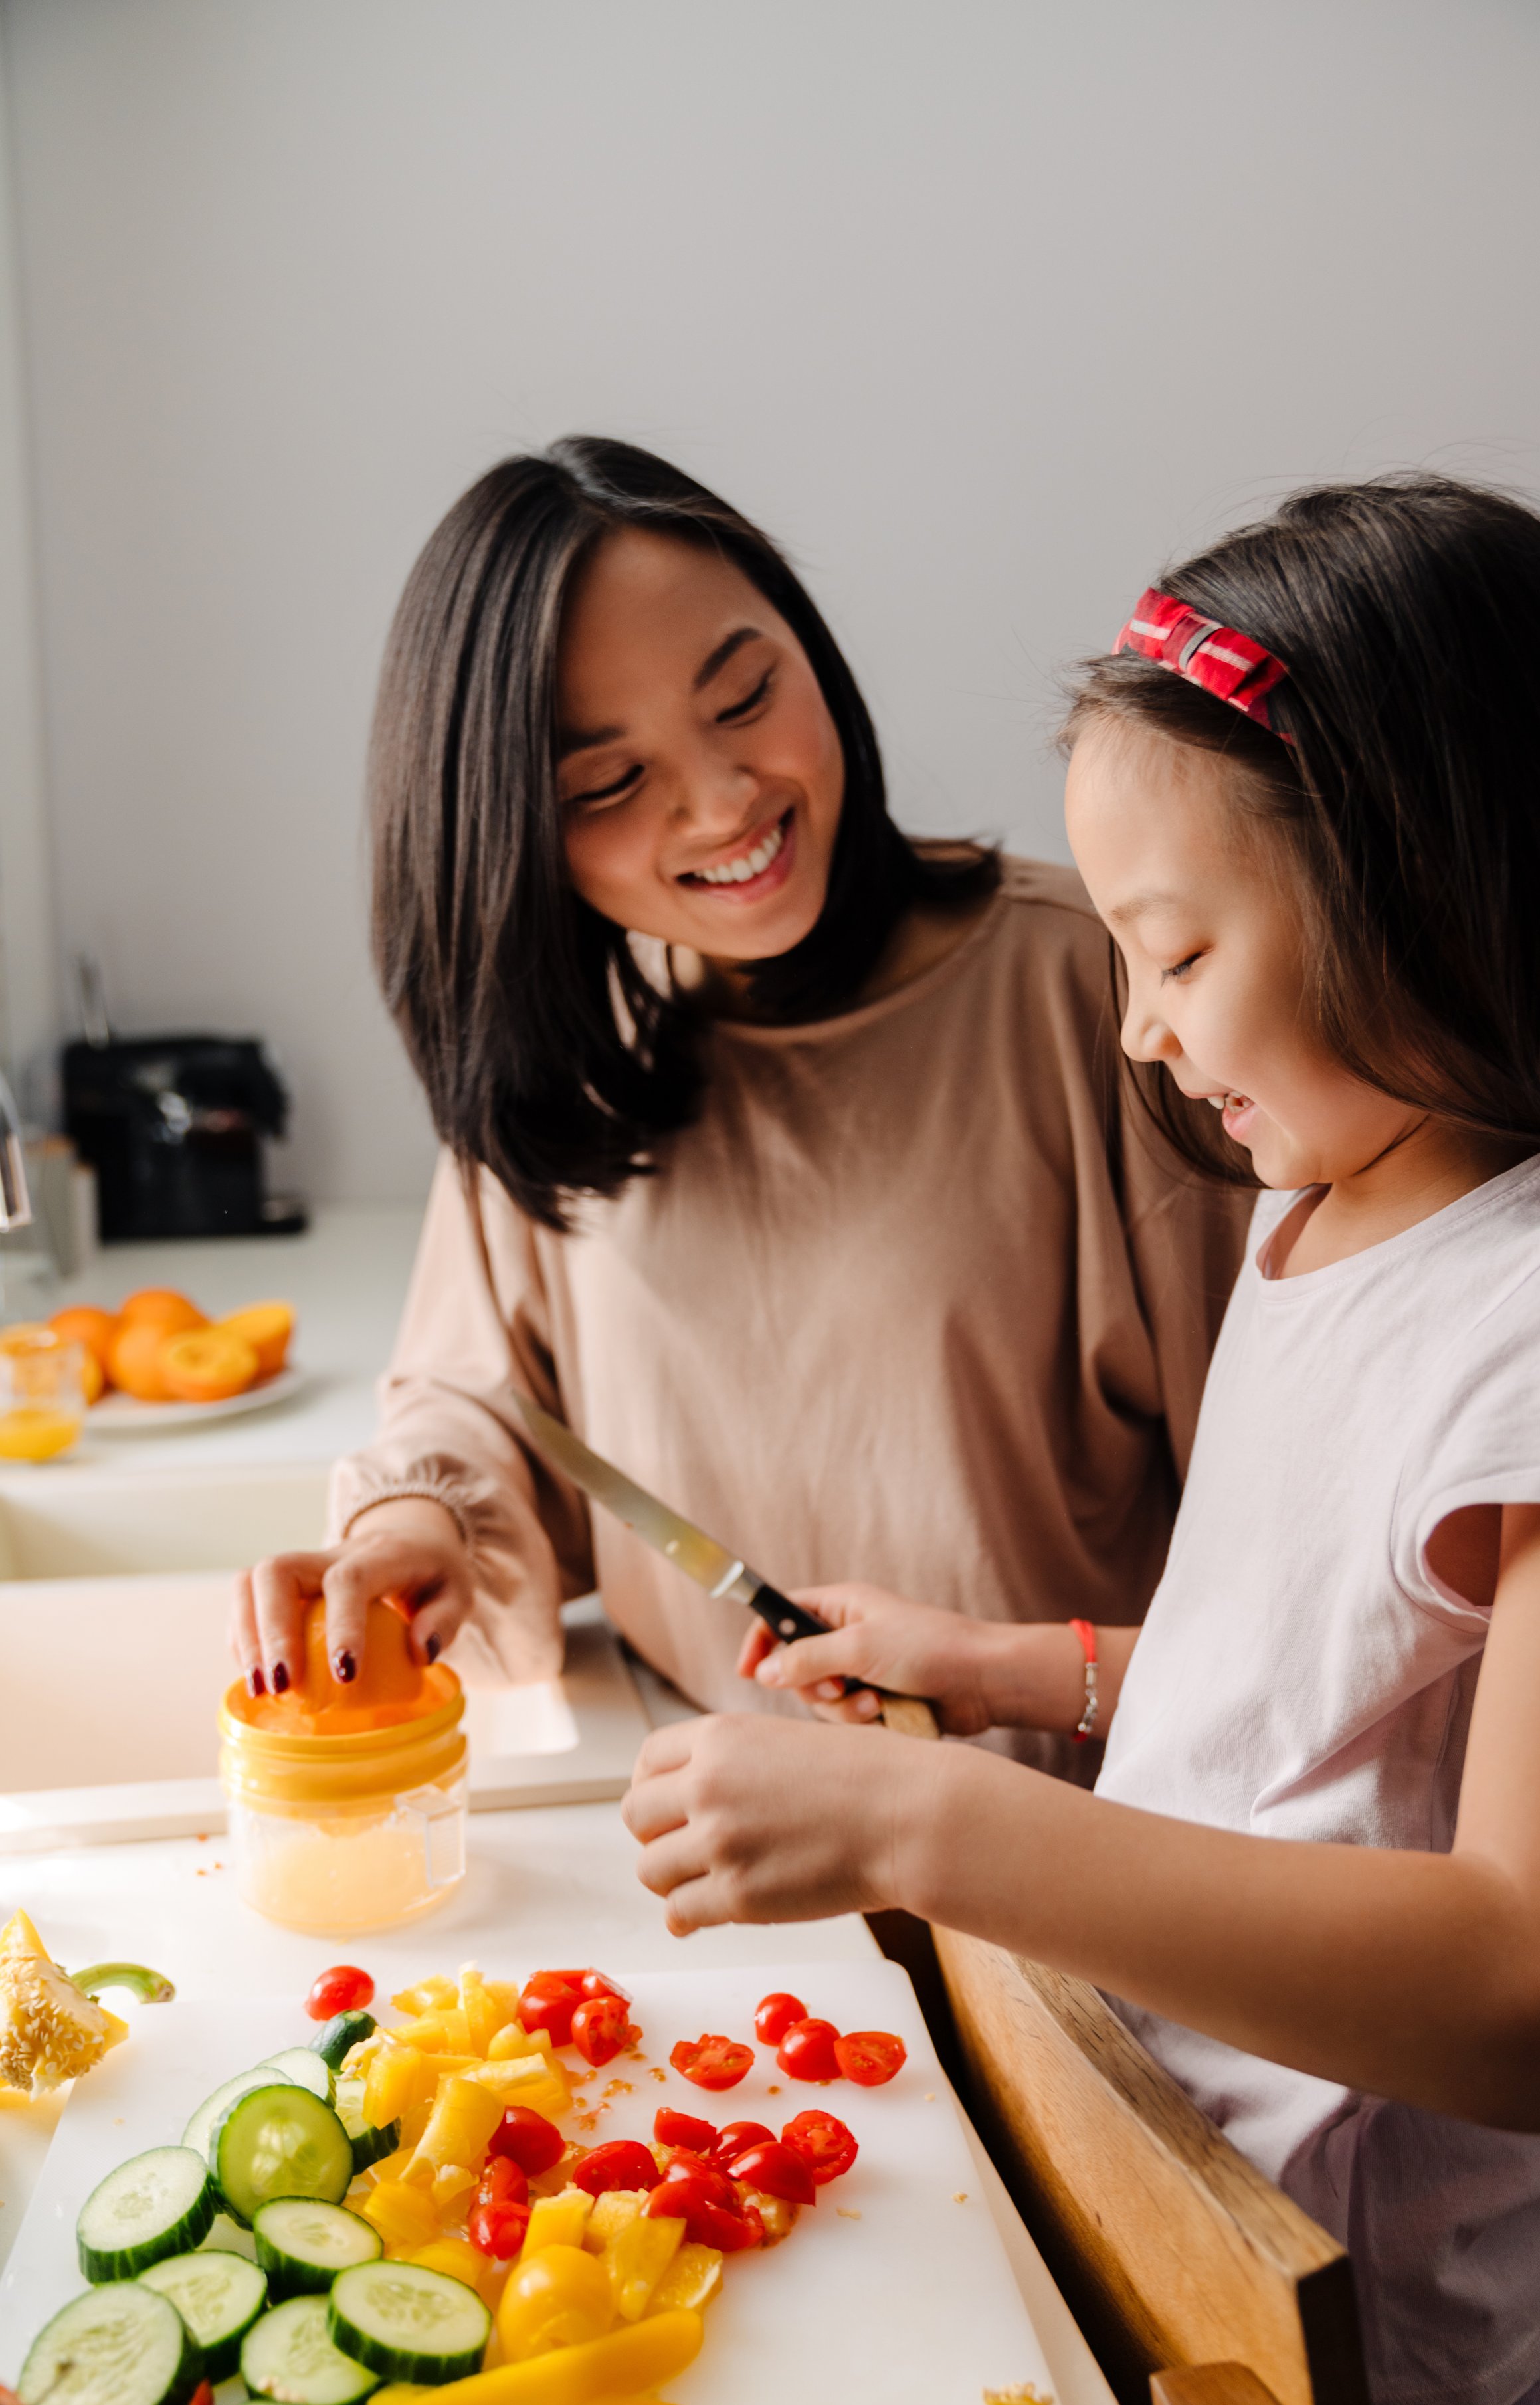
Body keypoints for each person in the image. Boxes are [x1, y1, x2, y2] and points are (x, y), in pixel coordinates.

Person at [622, 476, 1540, 2405]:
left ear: (1428, 885)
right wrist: (1013, 1670)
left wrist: (939, 1822)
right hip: (1193, 2218)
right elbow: (1320, 1704)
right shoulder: (1315, 1216)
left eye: (1172, 951)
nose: (1135, 1027)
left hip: (1404, 2369)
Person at [233, 437, 1248, 1787]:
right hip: (724, 1876)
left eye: (745, 693)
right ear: (508, 831)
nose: (721, 802)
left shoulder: (1107, 993)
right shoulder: (568, 1048)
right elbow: (482, 1394)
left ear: (807, 648)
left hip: (1067, 1881)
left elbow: (1304, 1561)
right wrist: (412, 1521)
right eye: (608, 783)